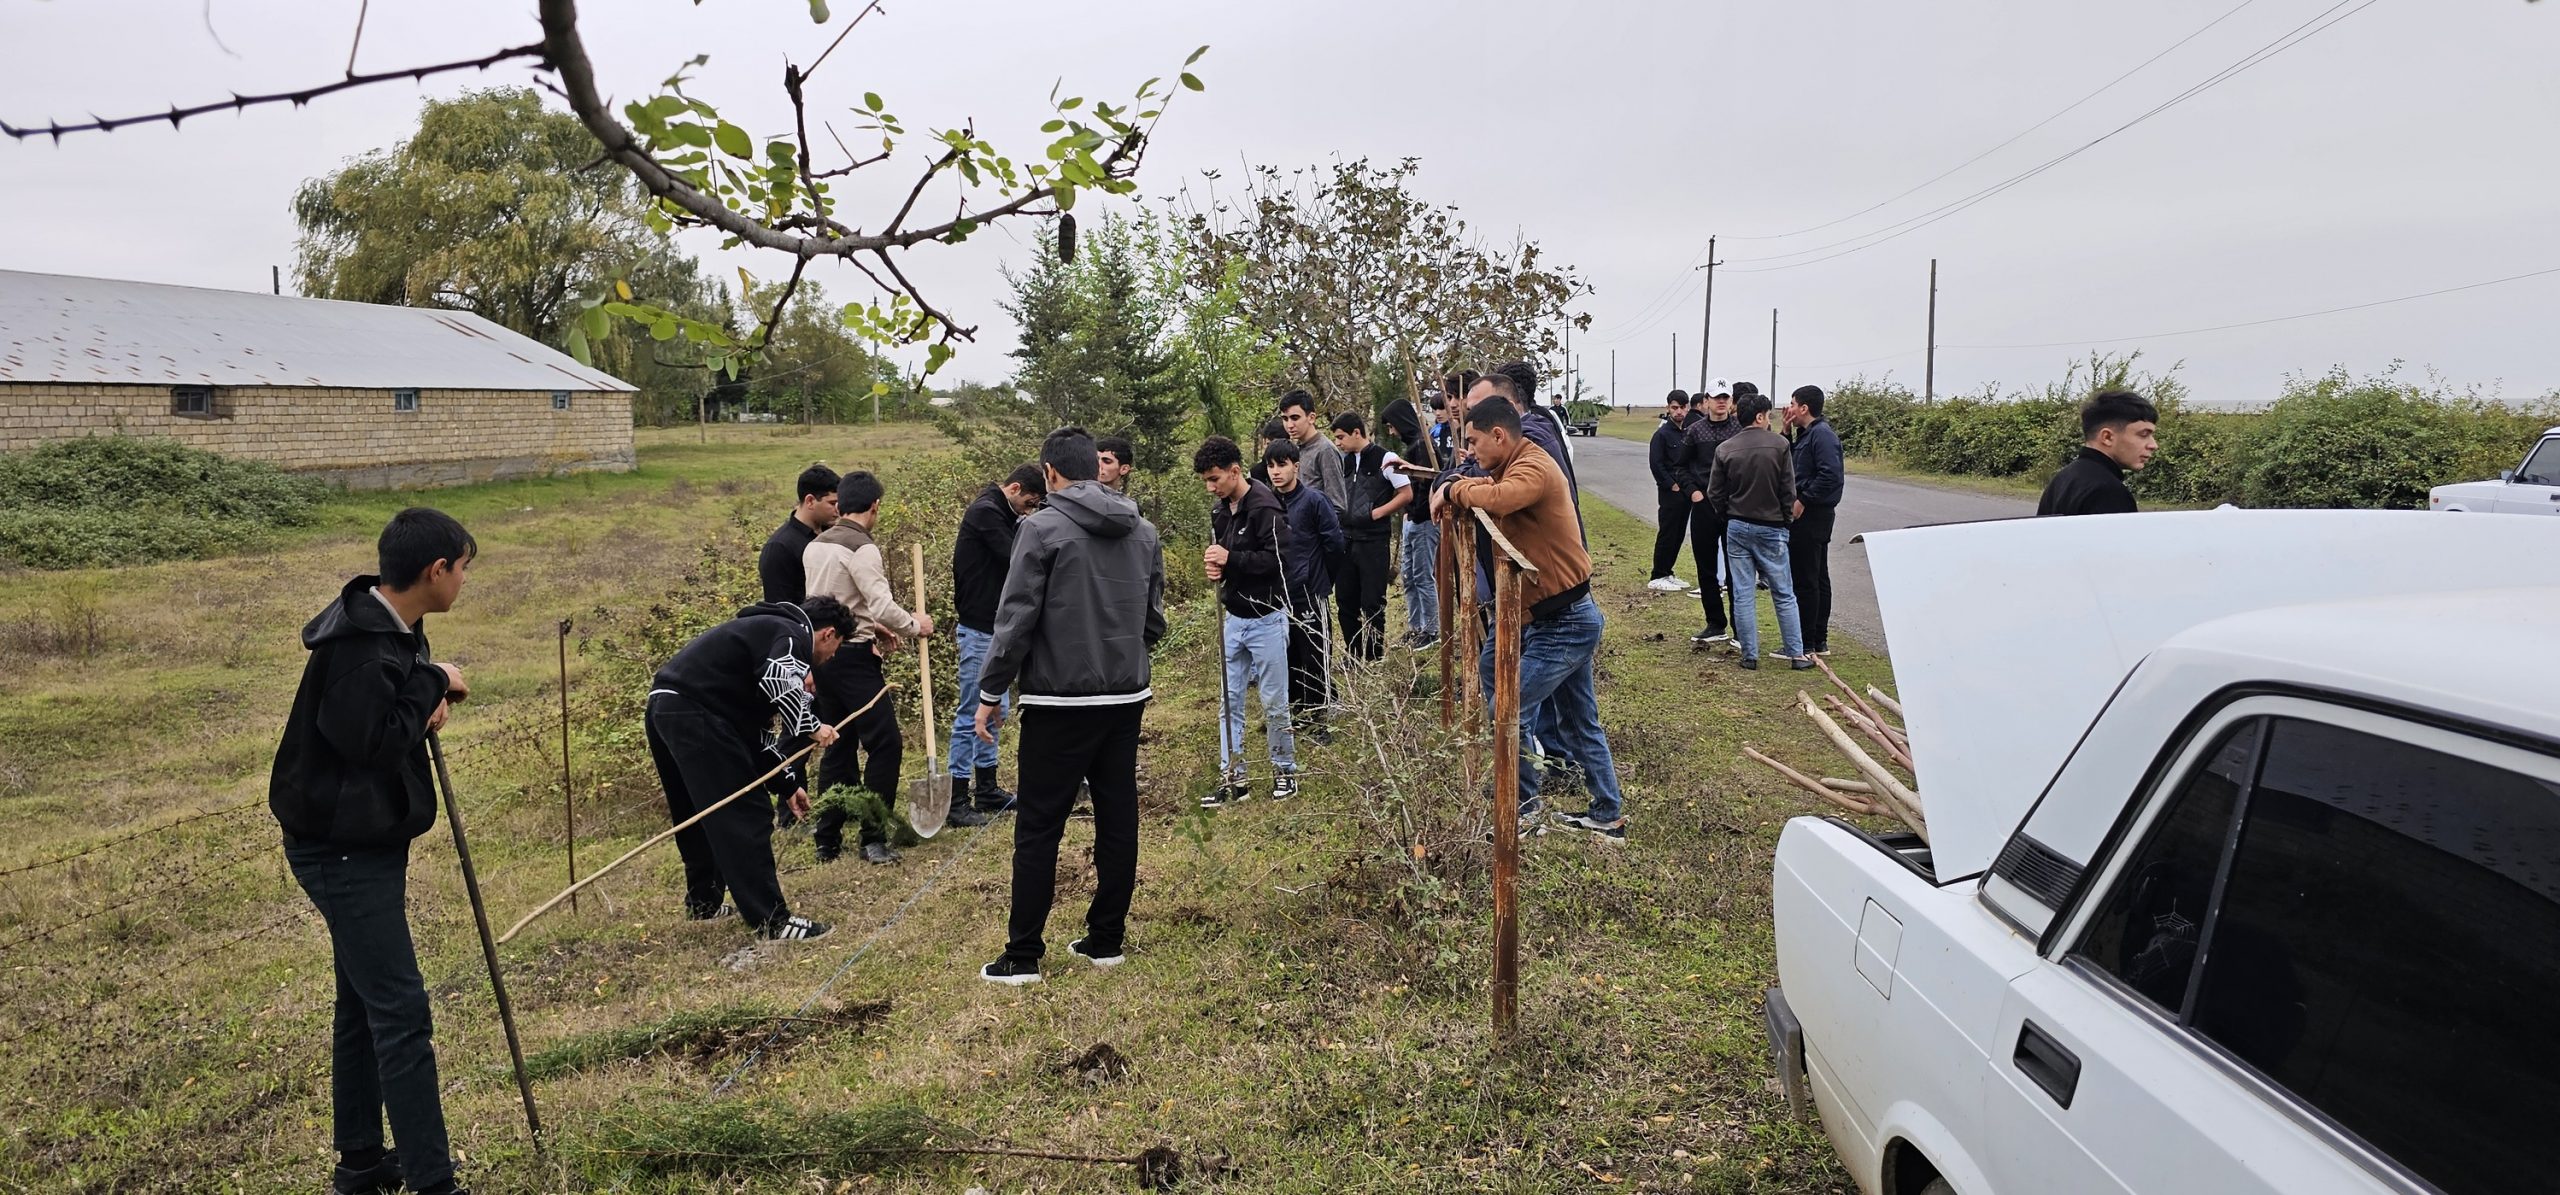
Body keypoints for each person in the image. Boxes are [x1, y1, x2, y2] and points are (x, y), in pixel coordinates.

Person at [270, 508, 478, 1195]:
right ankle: (433, 1181)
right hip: (341, 851)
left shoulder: (394, 627)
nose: (464, 581)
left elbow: (384, 725)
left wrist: (422, 698)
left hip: (363, 842)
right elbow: (374, 742)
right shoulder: (361, 646)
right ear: (435, 571)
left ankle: (360, 1162)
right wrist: (435, 680)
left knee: (362, 1005)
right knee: (400, 1011)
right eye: (463, 567)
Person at [973, 428, 1166, 985]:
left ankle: (1023, 955)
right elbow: (1153, 618)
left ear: (1051, 473)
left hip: (1058, 699)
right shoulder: (1144, 530)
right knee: (1117, 813)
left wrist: (990, 692)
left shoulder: (1038, 528)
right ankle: (1106, 940)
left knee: (1039, 824)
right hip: (1125, 695)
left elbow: (1015, 620)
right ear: (1096, 468)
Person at [1437, 396, 1632, 843]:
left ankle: (1524, 809)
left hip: (1565, 621)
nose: (1469, 451)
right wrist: (1453, 485)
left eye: (1473, 441)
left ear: (1499, 435)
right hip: (1545, 618)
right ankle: (1607, 813)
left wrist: (1452, 491)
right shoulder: (1511, 462)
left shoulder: (1533, 466)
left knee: (1506, 709)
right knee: (1571, 718)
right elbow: (1479, 481)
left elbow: (1502, 498)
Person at [645, 594, 849, 938]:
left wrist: (787, 786)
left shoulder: (761, 635)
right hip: (697, 713)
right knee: (745, 811)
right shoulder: (790, 632)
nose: (831, 658)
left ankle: (704, 903)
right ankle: (773, 921)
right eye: (837, 648)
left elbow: (756, 739)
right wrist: (813, 726)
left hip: (666, 707)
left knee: (696, 811)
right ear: (828, 634)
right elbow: (780, 678)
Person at [802, 470, 951, 861]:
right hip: (852, 659)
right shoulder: (861, 548)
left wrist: (877, 626)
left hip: (822, 658)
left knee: (837, 742)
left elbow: (837, 602)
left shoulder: (817, 545)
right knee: (885, 743)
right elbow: (880, 602)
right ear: (874, 506)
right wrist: (914, 625)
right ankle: (873, 837)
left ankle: (827, 839)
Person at [1195, 435, 1298, 805]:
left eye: (1215, 479)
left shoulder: (1265, 508)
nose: (1211, 487)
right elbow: (1226, 558)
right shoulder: (1220, 510)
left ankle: (1284, 772)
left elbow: (1279, 561)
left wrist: (1230, 559)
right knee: (1230, 699)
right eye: (1206, 480)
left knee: (1274, 700)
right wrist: (1216, 568)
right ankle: (1233, 778)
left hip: (1266, 617)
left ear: (1234, 471)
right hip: (1234, 618)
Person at [948, 464, 1046, 818]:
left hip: (997, 627)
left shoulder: (1003, 512)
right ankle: (957, 799)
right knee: (971, 711)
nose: (1029, 510)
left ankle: (986, 789)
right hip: (978, 628)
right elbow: (1016, 558)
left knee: (996, 710)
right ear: (1014, 488)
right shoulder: (986, 512)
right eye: (1029, 502)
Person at [1708, 392, 1814, 672]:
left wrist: (1727, 514)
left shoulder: (1725, 449)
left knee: (1742, 593)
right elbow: (1787, 489)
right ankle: (1796, 654)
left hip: (1737, 526)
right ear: (1759, 416)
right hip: (1772, 527)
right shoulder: (1780, 445)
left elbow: (1715, 493)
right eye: (1768, 415)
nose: (1770, 420)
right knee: (1784, 592)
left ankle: (1749, 654)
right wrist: (1785, 520)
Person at [1265, 439, 1345, 736]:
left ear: (1295, 466)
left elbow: (1335, 544)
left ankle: (1320, 718)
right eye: (1271, 466)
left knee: (1315, 655)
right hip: (1278, 595)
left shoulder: (1314, 501)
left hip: (1310, 592)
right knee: (1287, 656)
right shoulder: (1268, 505)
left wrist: (1321, 580)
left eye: (1282, 465)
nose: (1276, 472)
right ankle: (1296, 714)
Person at [1328, 412, 1412, 662]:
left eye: (1341, 437)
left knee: (1373, 601)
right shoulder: (1341, 462)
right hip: (1345, 538)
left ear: (1357, 432)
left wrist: (1377, 513)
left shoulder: (1385, 458)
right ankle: (1353, 654)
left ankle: (1374, 655)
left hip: (1373, 539)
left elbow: (1406, 493)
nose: (1338, 443)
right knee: (1345, 600)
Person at [1672, 382, 1745, 643]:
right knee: (1706, 568)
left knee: (1736, 568)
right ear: (1707, 400)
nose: (1721, 402)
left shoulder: (1740, 430)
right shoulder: (1694, 431)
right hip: (1703, 506)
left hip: (1733, 507)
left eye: (1726, 397)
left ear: (1732, 400)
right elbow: (1680, 467)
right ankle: (1715, 623)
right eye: (1716, 397)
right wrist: (1693, 492)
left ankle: (1740, 628)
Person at [1785, 386, 1846, 656]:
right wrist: (1786, 433)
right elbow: (1792, 463)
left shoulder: (1822, 436)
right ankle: (1817, 640)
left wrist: (1803, 500)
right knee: (1816, 574)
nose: (1789, 408)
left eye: (1792, 404)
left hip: (1813, 514)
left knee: (1807, 578)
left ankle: (1807, 642)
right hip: (1811, 513)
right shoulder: (1806, 435)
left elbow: (1830, 476)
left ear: (1804, 408)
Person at [1380, 396, 1441, 649]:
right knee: (1410, 576)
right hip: (1413, 519)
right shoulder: (1413, 445)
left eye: (1392, 424)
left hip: (1427, 520)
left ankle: (1431, 629)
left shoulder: (1424, 446)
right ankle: (1416, 627)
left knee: (1423, 575)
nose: (1390, 430)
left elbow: (1430, 481)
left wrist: (1416, 510)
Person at [2038, 390, 2159, 516]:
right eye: (2143, 435)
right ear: (2107, 437)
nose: (2153, 445)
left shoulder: (2063, 478)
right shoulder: (2107, 491)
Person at [759, 463, 840, 604]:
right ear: (810, 501)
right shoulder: (780, 547)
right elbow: (780, 607)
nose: (838, 510)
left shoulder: (831, 534)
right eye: (832, 504)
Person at [1646, 390, 1696, 591]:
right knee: (1668, 533)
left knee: (1679, 533)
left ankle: (1668, 571)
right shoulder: (1662, 435)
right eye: (1675, 407)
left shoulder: (1689, 432)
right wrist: (1671, 485)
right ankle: (1658, 574)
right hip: (1670, 493)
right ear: (1668, 408)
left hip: (1687, 492)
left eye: (1683, 407)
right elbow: (1656, 464)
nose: (1679, 412)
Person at [1276, 390, 1350, 511]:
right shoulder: (1294, 447)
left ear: (1311, 418)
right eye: (1285, 419)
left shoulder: (1325, 450)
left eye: (1295, 418)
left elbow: (1338, 505)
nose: (1289, 425)